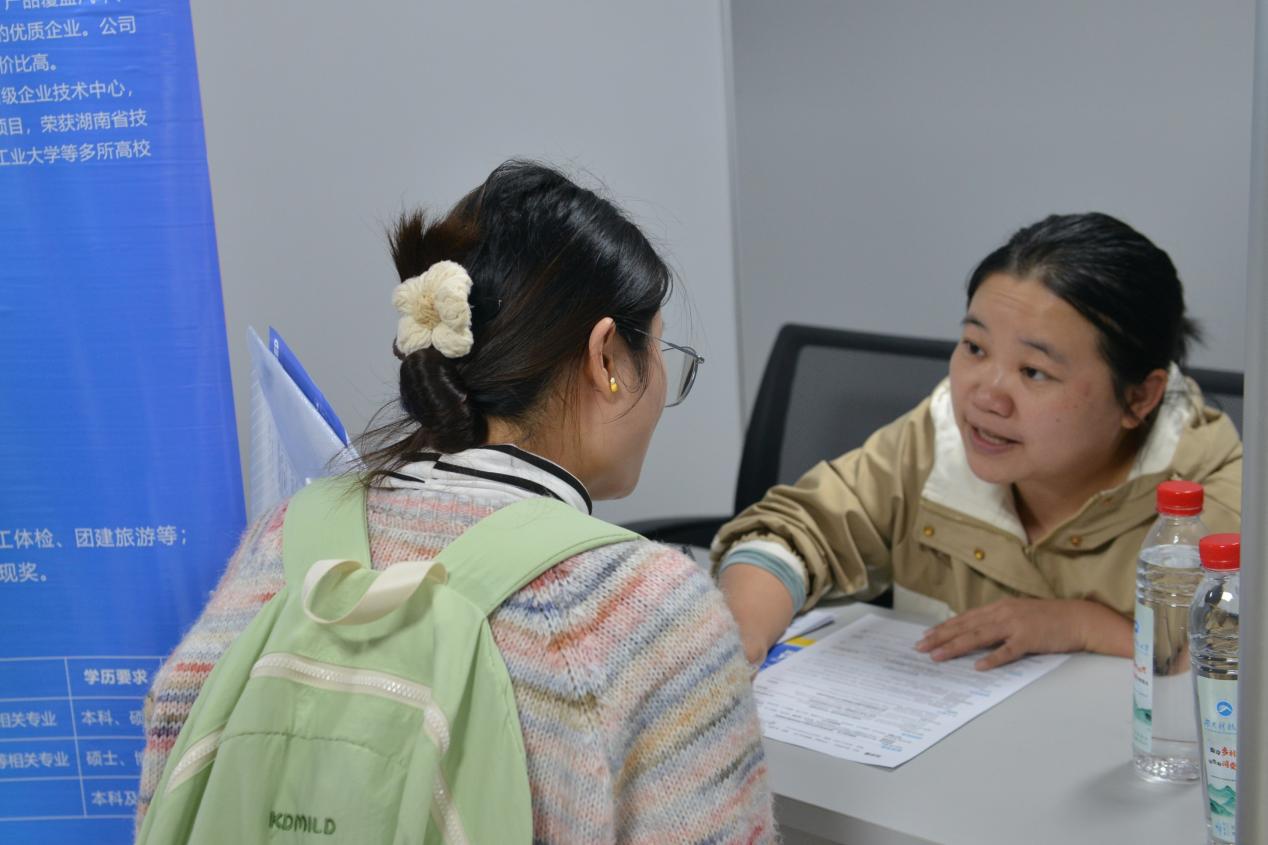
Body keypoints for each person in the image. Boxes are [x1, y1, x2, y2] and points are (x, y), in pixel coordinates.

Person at [138, 161, 775, 843]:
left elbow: (169, 786)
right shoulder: (651, 616)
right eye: (662, 349)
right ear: (608, 359)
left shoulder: (284, 539)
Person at [712, 212, 1242, 671]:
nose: (986, 396)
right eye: (975, 347)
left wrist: (1087, 626)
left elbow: (1242, 668)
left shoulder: (1218, 503)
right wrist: (737, 643)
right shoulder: (939, 436)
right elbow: (796, 532)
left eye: (1034, 371)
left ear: (1139, 398)